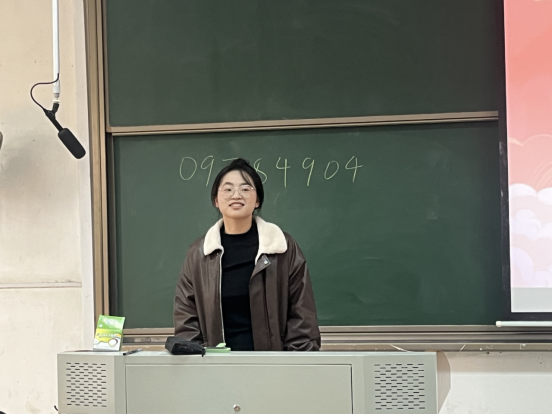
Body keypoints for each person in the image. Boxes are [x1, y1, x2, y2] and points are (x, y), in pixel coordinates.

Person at [174, 158, 320, 351]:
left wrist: (293, 363)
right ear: (216, 200)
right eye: (228, 189)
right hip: (215, 365)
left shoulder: (282, 248)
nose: (236, 195)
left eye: (245, 188)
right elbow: (186, 317)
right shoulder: (199, 254)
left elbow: (302, 314)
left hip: (272, 364)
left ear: (257, 200)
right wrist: (198, 359)